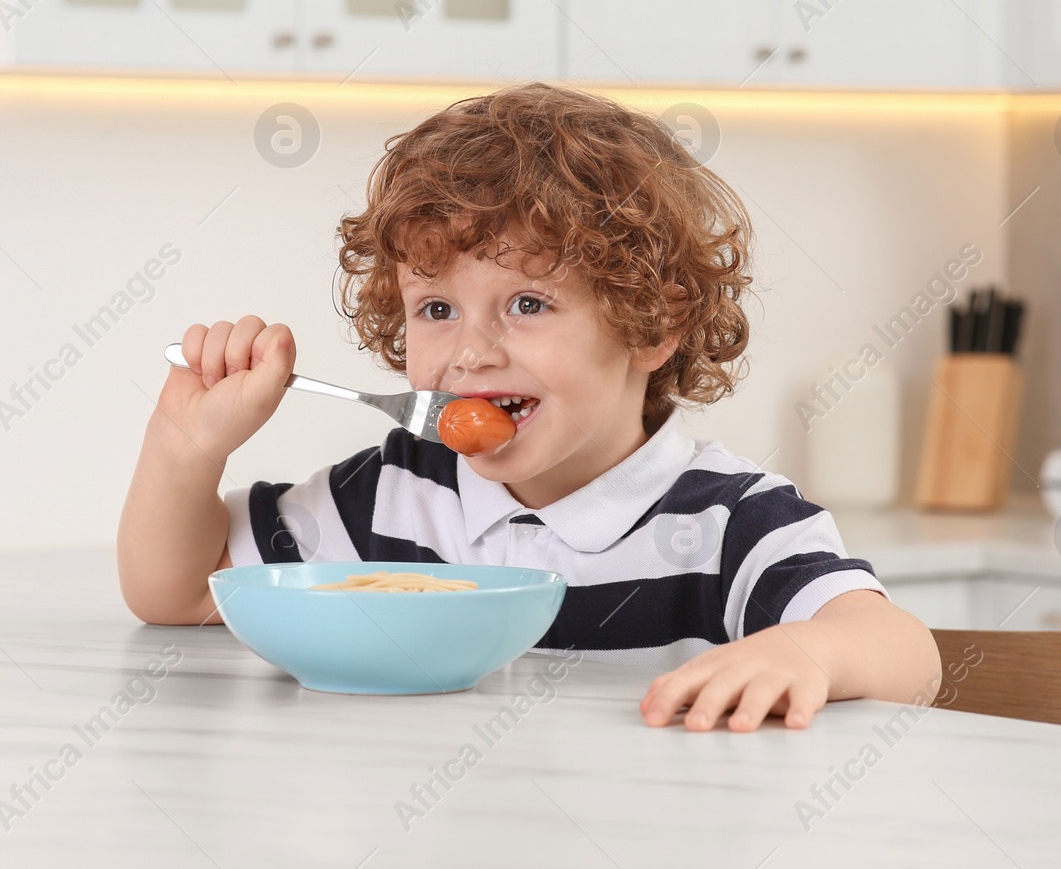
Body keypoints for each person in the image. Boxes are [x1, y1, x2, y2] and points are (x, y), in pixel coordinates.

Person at [118, 82, 941, 733]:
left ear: (653, 324)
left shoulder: (729, 521)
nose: (471, 351)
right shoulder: (397, 495)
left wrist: (807, 653)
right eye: (436, 309)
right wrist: (185, 448)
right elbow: (179, 593)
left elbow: (906, 651)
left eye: (528, 305)